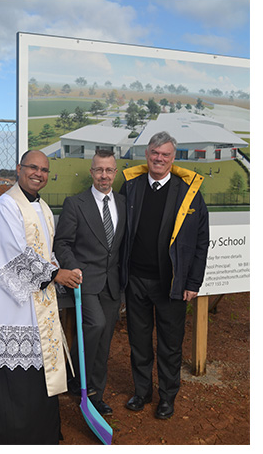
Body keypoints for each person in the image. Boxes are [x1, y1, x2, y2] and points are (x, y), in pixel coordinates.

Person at [0, 150, 82, 444]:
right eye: (32, 168)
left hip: (37, 302)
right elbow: (11, 255)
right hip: (8, 303)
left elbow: (43, 253)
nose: (38, 174)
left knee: (36, 370)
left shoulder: (44, 209)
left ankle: (37, 433)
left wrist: (60, 269)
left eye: (44, 170)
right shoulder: (4, 206)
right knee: (6, 368)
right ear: (18, 169)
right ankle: (5, 436)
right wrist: (53, 275)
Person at [120, 131, 209, 419]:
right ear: (147, 155)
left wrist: (193, 282)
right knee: (139, 341)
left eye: (165, 154)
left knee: (170, 345)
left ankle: (167, 397)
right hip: (136, 281)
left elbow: (200, 241)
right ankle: (142, 392)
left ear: (173, 158)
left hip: (172, 285)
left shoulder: (188, 192)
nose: (159, 158)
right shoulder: (130, 187)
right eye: (155, 153)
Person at [54, 149, 126, 416]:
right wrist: (71, 266)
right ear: (91, 172)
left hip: (112, 282)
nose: (104, 175)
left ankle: (79, 381)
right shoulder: (76, 203)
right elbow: (62, 242)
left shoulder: (122, 203)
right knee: (95, 325)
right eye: (99, 170)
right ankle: (92, 394)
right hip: (84, 279)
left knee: (105, 337)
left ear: (115, 173)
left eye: (108, 170)